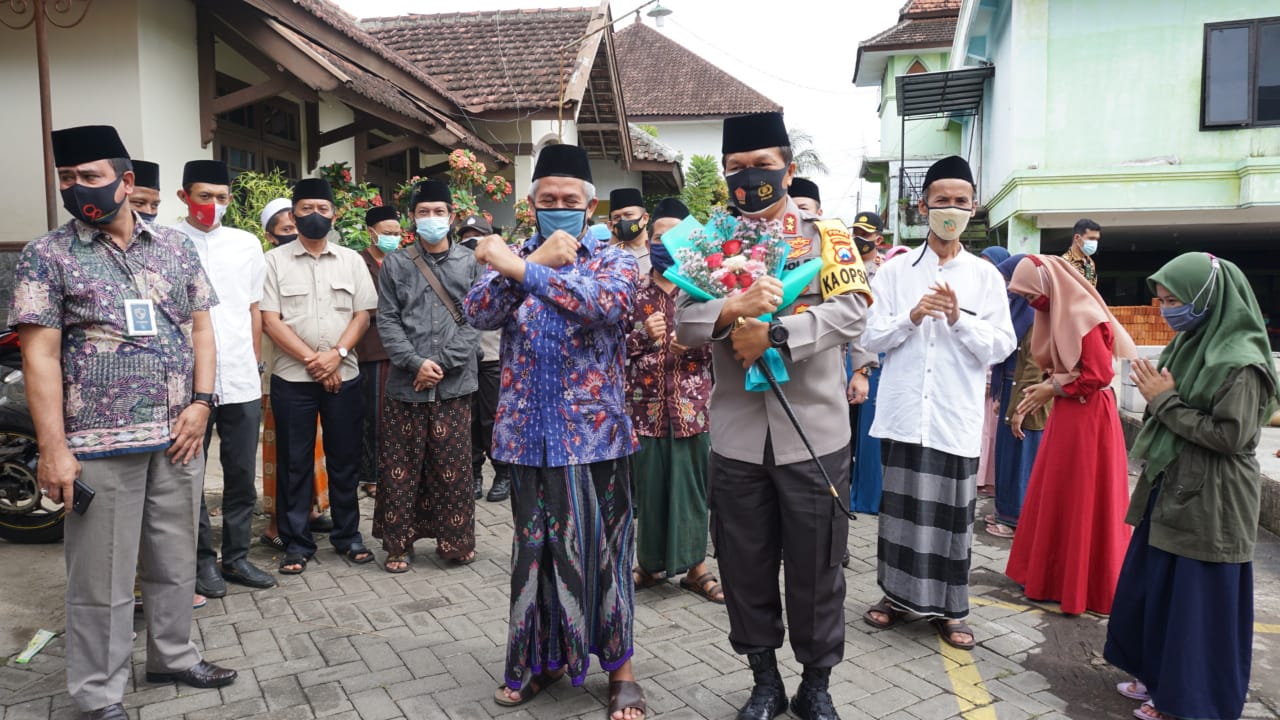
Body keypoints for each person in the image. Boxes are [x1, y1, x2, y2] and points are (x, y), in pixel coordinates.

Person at [10, 125, 236, 720]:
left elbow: (202, 327)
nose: (76, 188)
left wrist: (202, 401)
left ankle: (173, 655)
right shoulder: (48, 255)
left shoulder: (174, 247)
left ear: (125, 181)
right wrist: (53, 448)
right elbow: (41, 355)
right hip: (96, 445)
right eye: (67, 178)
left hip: (179, 435)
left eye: (90, 177)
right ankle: (97, 692)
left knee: (172, 556)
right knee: (100, 577)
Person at [674, 112, 870, 720]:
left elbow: (855, 312)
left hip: (814, 434)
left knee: (817, 569)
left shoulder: (828, 236)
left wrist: (779, 331)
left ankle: (816, 684)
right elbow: (684, 322)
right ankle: (763, 680)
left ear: (787, 163)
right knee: (744, 565)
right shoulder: (708, 243)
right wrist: (731, 309)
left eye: (760, 164)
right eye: (736, 168)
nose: (748, 177)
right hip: (736, 437)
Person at [464, 144, 646, 720]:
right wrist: (527, 262)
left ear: (591, 206)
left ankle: (622, 673)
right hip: (526, 438)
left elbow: (603, 305)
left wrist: (521, 267)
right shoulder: (520, 253)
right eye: (549, 200)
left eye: (571, 200)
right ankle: (537, 662)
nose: (560, 207)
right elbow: (478, 312)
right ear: (531, 205)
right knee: (534, 555)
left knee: (607, 555)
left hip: (595, 443)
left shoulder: (615, 259)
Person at [1107, 252, 1278, 720]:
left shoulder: (1240, 362)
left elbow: (1231, 436)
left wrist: (1164, 404)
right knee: (1162, 588)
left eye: (1175, 300)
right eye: (1161, 300)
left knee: (1199, 605)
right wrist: (1162, 402)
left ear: (1209, 298)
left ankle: (1190, 701)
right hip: (1177, 485)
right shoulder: (1191, 343)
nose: (1166, 310)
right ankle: (1160, 676)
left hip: (1215, 499)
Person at [862, 155, 1016, 652]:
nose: (950, 209)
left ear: (974, 209)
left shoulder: (984, 277)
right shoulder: (895, 271)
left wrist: (959, 319)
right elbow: (870, 336)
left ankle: (951, 610)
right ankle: (895, 597)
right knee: (900, 515)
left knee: (952, 518)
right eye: (941, 201)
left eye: (961, 202)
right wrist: (911, 315)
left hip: (954, 414)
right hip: (907, 413)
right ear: (923, 205)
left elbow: (1002, 345)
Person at [1003, 255, 1134, 614]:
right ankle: (1053, 578)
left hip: (1088, 417)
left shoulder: (1082, 316)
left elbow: (1097, 375)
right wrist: (1046, 391)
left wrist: (1051, 389)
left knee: (1082, 496)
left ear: (1048, 286)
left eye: (1032, 295)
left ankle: (1083, 585)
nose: (1031, 304)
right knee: (1060, 493)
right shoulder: (1061, 313)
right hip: (1070, 412)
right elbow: (1065, 372)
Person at [261, 178, 377, 574]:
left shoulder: (351, 260)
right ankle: (296, 542)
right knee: (295, 463)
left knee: (345, 460)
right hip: (293, 378)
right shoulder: (273, 262)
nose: (315, 215)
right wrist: (316, 361)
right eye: (306, 208)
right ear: (293, 214)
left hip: (344, 375)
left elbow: (363, 315)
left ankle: (348, 536)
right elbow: (270, 320)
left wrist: (337, 356)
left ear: (334, 214)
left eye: (322, 209)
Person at [174, 159, 276, 596]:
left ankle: (236, 558)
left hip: (239, 376)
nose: (213, 205)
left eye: (221, 198)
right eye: (204, 196)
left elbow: (253, 308)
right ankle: (202, 563)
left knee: (239, 474)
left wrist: (253, 363)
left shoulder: (247, 243)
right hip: (187, 382)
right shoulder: (166, 241)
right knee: (189, 475)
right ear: (184, 197)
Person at [373, 180, 481, 572]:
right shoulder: (397, 264)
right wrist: (414, 363)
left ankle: (456, 542)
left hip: (455, 384)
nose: (432, 219)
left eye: (439, 212)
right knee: (401, 465)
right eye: (423, 212)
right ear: (411, 219)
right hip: (406, 383)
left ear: (451, 217)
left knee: (453, 466)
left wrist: (444, 364)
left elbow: (476, 319)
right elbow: (387, 319)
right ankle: (398, 544)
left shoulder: (470, 263)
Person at [626, 197, 721, 603]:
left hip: (691, 409)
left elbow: (725, 345)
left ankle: (697, 567)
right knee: (649, 489)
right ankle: (649, 564)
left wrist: (693, 345)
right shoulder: (632, 289)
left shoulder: (704, 292)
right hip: (645, 408)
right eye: (657, 235)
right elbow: (612, 350)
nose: (663, 242)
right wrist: (644, 334)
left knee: (693, 489)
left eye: (672, 235)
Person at [256, 200, 335, 549]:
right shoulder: (265, 266)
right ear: (270, 235)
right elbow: (269, 323)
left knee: (313, 447)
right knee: (283, 451)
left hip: (321, 370)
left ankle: (311, 511)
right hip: (280, 369)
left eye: (295, 226)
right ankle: (276, 522)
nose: (294, 233)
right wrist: (312, 358)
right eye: (285, 229)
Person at [983, 254, 1047, 538]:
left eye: (1010, 280)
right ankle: (1004, 511)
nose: (1007, 287)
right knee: (1006, 457)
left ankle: (1015, 520)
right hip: (1010, 387)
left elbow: (1033, 366)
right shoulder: (1016, 311)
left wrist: (1021, 406)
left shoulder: (1033, 315)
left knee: (1021, 457)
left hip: (1025, 392)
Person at [455, 214, 511, 502]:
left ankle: (502, 472)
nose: (471, 242)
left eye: (478, 236)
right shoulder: (453, 266)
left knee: (492, 418)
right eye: (466, 236)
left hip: (491, 352)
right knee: (469, 419)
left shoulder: (504, 265)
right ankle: (474, 473)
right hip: (461, 357)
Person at [356, 204, 400, 500]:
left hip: (400, 350)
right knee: (372, 416)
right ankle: (371, 476)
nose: (393, 238)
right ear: (371, 233)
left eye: (397, 233)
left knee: (395, 416)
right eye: (387, 233)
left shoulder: (400, 261)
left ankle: (394, 471)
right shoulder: (359, 262)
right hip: (371, 349)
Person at [848, 210, 886, 516]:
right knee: (842, 431)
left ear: (879, 239)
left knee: (868, 433)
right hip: (839, 356)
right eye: (855, 232)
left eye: (865, 235)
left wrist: (863, 368)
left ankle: (866, 496)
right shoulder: (841, 267)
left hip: (871, 359)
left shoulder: (885, 273)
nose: (859, 239)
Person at [974, 246, 1012, 499]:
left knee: (993, 433)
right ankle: (977, 478)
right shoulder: (979, 294)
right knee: (980, 431)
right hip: (979, 375)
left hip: (998, 378)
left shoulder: (1011, 300)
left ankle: (990, 481)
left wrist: (991, 379)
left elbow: (1006, 341)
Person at [608, 187, 651, 276]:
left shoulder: (659, 251)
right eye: (617, 217)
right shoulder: (609, 255)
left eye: (628, 215)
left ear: (645, 218)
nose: (622, 221)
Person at [1062, 218, 1101, 286]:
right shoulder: (1063, 263)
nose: (1095, 243)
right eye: (1091, 238)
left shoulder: (1090, 262)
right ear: (1077, 238)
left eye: (1096, 239)